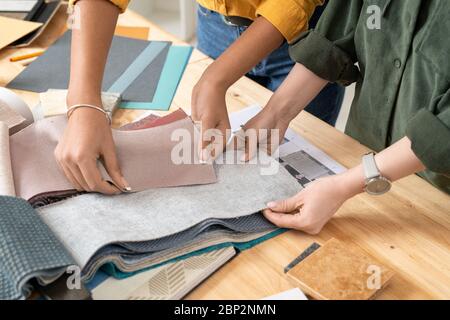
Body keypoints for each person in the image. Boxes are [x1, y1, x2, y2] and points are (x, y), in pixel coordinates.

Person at [58, 0, 343, 193]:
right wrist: (83, 103)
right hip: (216, 21)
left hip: (309, 34)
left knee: (290, 179)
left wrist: (216, 78)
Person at [238, 0, 450, 234]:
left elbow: (443, 131)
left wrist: (342, 187)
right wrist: (275, 113)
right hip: (359, 156)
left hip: (435, 197)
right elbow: (335, 37)